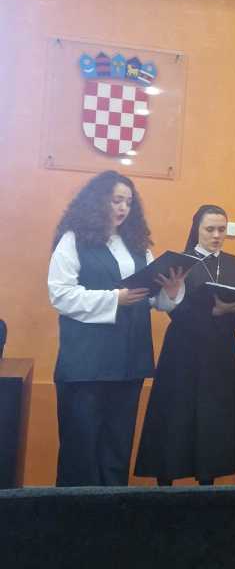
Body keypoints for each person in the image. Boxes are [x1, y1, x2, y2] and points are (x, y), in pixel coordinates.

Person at [48, 170, 184, 487]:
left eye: (128, 202)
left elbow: (153, 299)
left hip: (129, 360)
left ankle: (112, 511)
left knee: (117, 447)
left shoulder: (138, 245)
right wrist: (114, 299)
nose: (123, 208)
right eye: (116, 200)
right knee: (82, 447)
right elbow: (61, 295)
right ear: (98, 201)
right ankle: (75, 514)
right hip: (86, 364)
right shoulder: (73, 240)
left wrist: (171, 290)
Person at [135, 204, 235, 486]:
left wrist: (234, 310)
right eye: (210, 229)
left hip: (221, 352)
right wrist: (213, 311)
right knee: (176, 415)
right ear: (196, 229)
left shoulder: (233, 263)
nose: (216, 235)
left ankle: (207, 483)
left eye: (221, 230)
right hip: (183, 352)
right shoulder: (181, 262)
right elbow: (173, 307)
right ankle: (165, 483)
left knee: (213, 418)